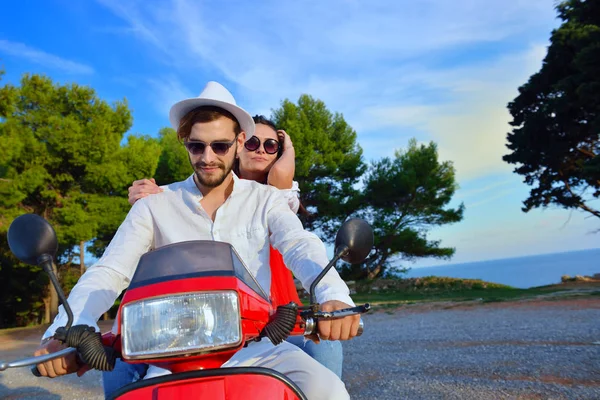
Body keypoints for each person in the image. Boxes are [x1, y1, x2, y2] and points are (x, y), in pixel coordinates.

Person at [33, 81, 358, 400]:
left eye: (220, 145)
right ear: (184, 142)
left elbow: (299, 245)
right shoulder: (155, 204)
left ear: (239, 141)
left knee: (327, 391)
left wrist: (334, 295)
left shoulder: (266, 200)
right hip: (173, 358)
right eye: (196, 146)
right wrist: (67, 328)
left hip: (259, 348)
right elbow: (110, 271)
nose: (207, 157)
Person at [123, 114, 345, 381]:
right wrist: (147, 203)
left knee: (326, 366)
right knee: (122, 363)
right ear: (240, 145)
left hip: (277, 319)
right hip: (202, 324)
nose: (261, 150)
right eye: (253, 142)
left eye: (271, 145)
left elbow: (300, 243)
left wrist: (332, 293)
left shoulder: (274, 198)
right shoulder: (185, 191)